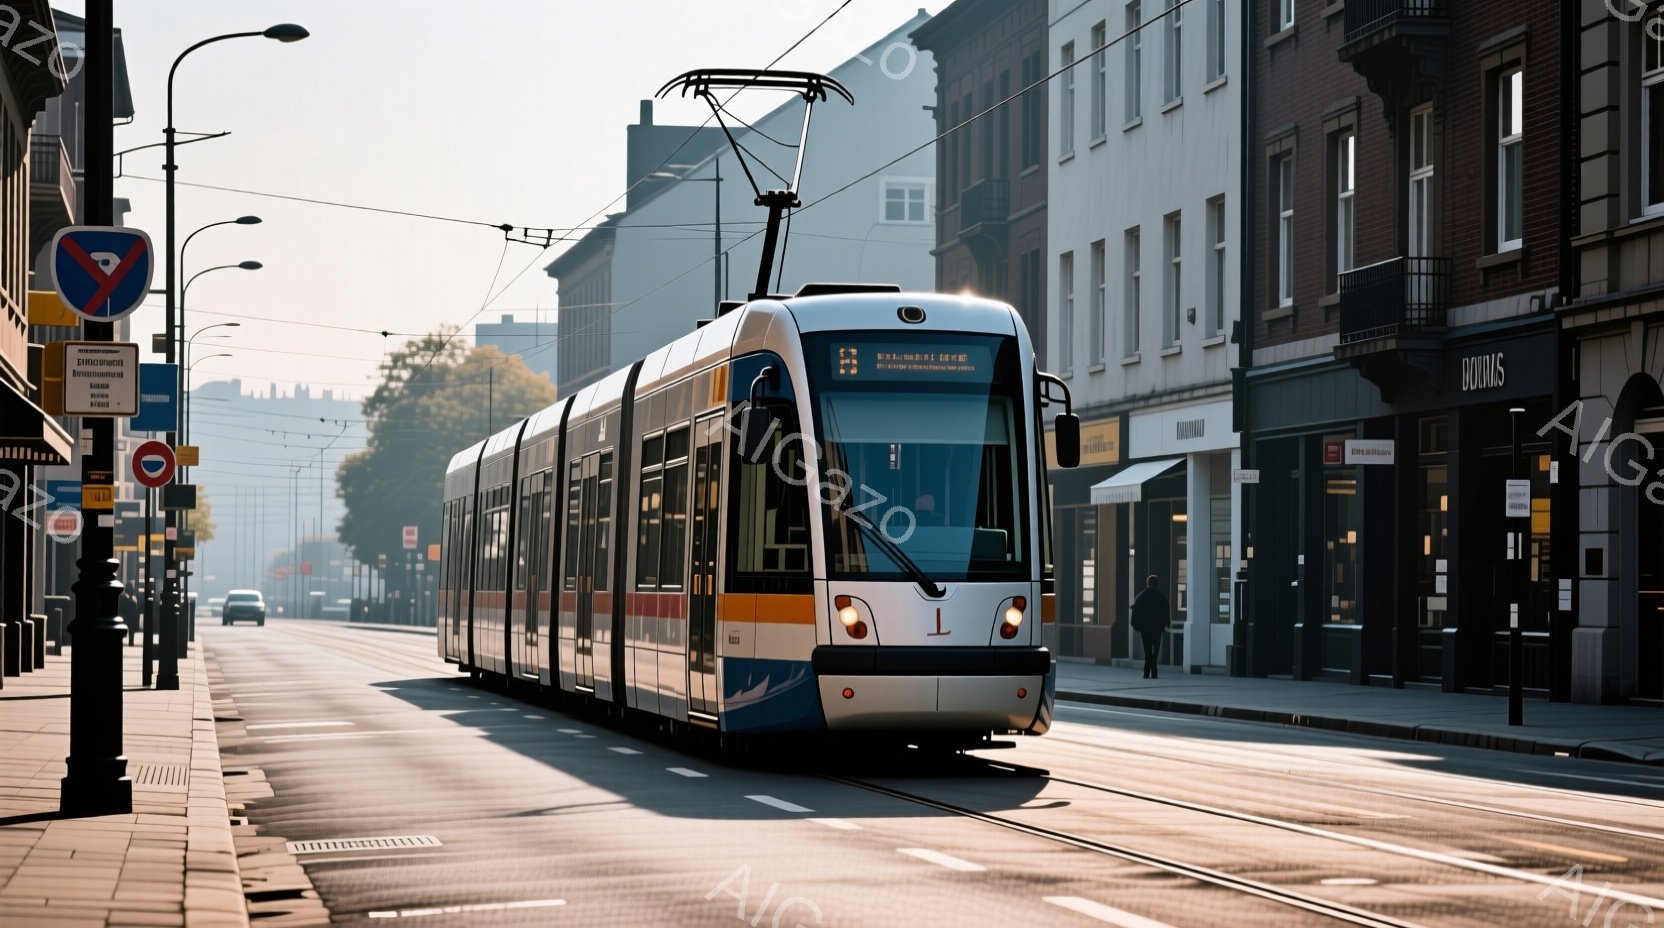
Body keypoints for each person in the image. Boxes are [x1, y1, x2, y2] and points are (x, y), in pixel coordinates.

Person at [1130, 575, 1170, 680]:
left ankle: (1147, 673)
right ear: (1157, 583)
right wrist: (1166, 625)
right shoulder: (1161, 596)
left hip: (1145, 629)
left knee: (1147, 652)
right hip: (1157, 629)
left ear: (1148, 583)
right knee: (1155, 652)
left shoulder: (1141, 596)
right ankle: (1154, 672)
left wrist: (1136, 626)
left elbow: (1135, 611)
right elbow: (1166, 611)